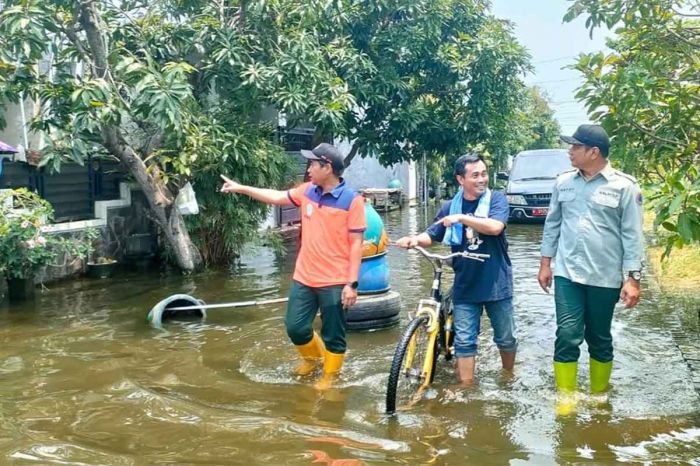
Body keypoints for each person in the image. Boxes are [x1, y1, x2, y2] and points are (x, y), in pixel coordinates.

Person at [221, 143, 366, 390]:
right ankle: (314, 359)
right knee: (296, 327)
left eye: (312, 164)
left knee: (333, 334)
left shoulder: (352, 201)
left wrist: (351, 284)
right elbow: (278, 197)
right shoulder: (308, 191)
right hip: (304, 277)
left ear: (327, 167)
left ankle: (330, 376)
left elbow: (356, 245)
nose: (308, 169)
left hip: (335, 280)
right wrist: (242, 188)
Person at [538, 124, 644, 410]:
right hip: (567, 274)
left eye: (575, 147)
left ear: (593, 152)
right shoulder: (563, 183)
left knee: (599, 336)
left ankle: (599, 398)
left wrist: (632, 279)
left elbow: (632, 235)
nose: (569, 151)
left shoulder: (624, 186)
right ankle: (566, 400)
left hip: (605, 277)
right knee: (568, 334)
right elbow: (553, 224)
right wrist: (545, 263)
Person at [396, 154, 517, 385]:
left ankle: (508, 376)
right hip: (465, 284)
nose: (482, 179)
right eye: (475, 175)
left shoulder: (497, 200)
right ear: (461, 179)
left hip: (496, 283)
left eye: (484, 174)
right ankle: (466, 387)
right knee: (464, 341)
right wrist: (413, 240)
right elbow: (433, 234)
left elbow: (495, 227)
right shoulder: (449, 207)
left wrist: (462, 218)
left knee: (506, 338)